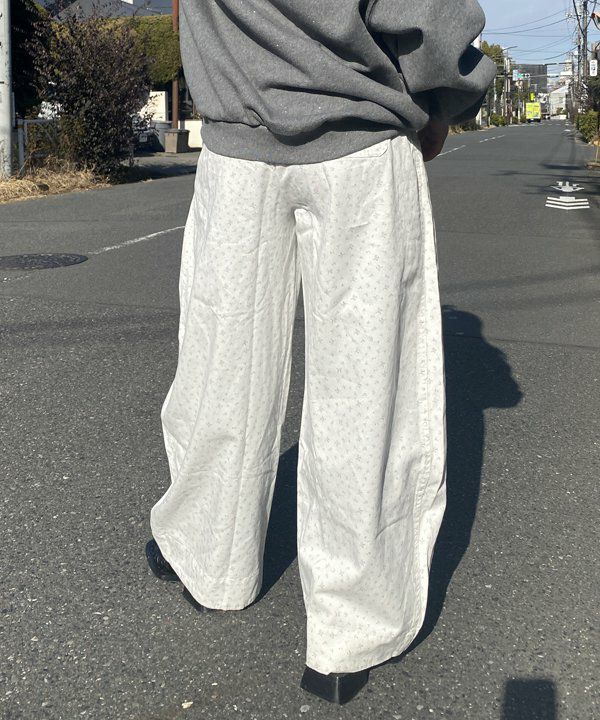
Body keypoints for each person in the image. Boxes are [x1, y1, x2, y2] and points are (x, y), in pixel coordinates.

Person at [146, 0, 496, 705]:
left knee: (223, 369)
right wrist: (445, 99)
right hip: (359, 140)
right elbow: (422, 13)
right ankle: (348, 629)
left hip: (235, 138)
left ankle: (210, 557)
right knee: (365, 391)